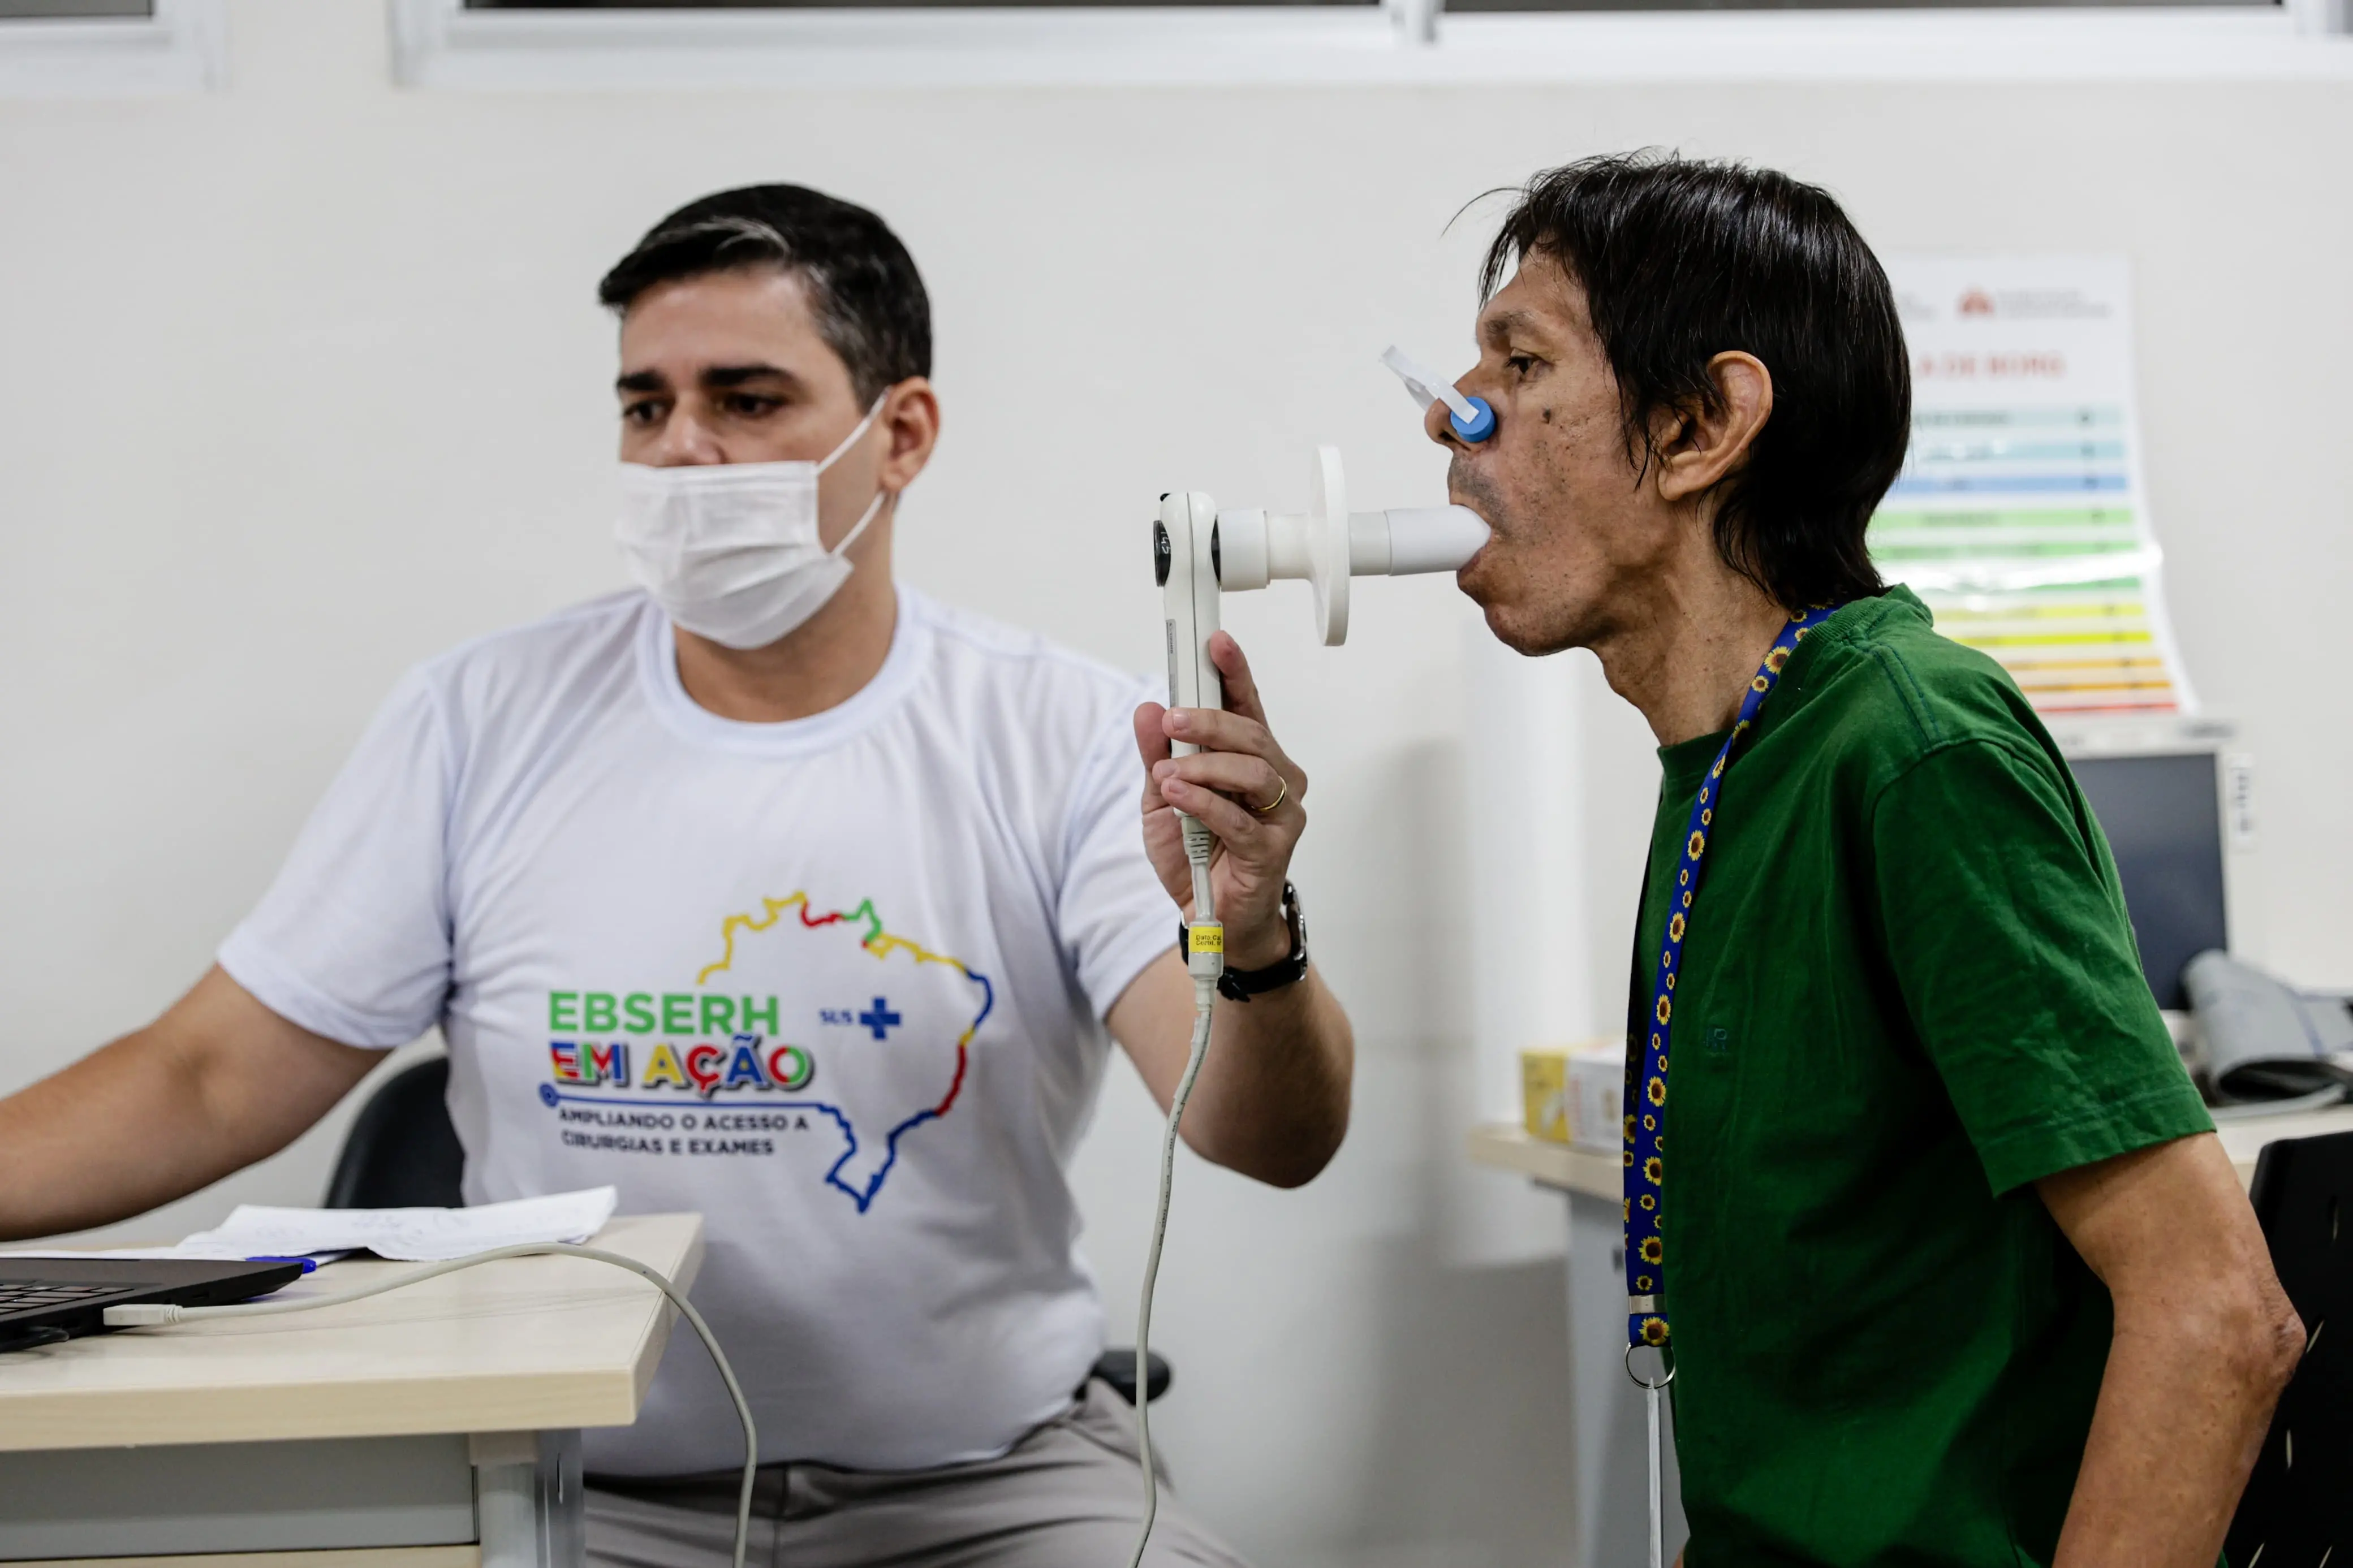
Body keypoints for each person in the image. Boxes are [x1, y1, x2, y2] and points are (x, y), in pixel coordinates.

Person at [0, 184, 1355, 1568]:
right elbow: (209, 1077)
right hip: (560, 1491)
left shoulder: (1068, 732)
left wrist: (1250, 940)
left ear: (902, 435)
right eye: (646, 407)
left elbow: (1264, 1136)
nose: (684, 450)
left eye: (748, 400)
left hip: (983, 1487)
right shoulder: (482, 719)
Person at [1429, 153, 2302, 1568]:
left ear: (1704, 423)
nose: (1451, 416)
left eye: (1521, 365)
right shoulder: (1722, 762)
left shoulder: (1913, 746)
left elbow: (2218, 1312)